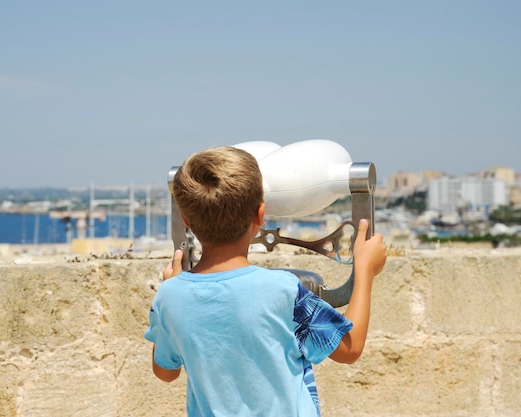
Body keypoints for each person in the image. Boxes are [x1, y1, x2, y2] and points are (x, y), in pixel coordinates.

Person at [144, 146, 387, 417]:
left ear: (186, 220)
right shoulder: (282, 291)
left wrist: (173, 291)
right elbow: (349, 348)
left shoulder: (170, 296)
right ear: (260, 215)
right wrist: (364, 271)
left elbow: (165, 371)